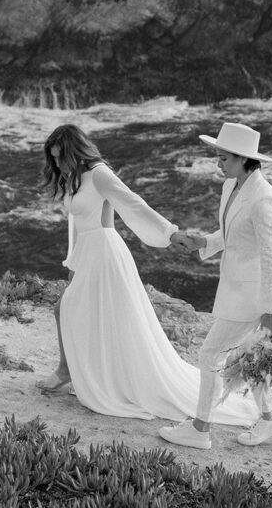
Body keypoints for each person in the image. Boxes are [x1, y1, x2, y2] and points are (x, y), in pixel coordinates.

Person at [37, 124, 258, 427]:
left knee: (68, 308)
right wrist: (73, 260)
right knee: (70, 309)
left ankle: (68, 371)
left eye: (62, 157)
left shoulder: (99, 173)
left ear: (75, 151)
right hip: (88, 254)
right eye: (55, 160)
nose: (59, 165)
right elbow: (77, 224)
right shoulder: (73, 177)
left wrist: (171, 233)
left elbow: (133, 203)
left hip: (104, 252)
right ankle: (71, 371)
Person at [159, 122, 272, 450]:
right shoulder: (233, 186)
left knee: (209, 354)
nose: (218, 163)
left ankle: (200, 429)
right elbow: (233, 235)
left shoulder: (264, 199)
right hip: (235, 288)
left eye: (224, 158)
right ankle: (270, 420)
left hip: (252, 296)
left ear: (245, 159)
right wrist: (203, 241)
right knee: (246, 359)